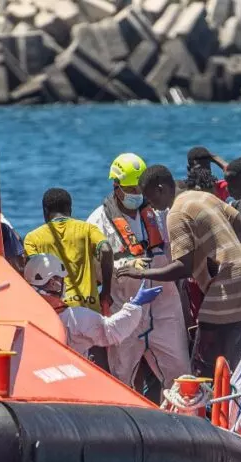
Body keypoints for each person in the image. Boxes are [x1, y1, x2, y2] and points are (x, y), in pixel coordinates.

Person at [118, 165, 241, 378]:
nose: (150, 204)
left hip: (227, 290)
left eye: (150, 197)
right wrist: (227, 253)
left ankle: (201, 410)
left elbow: (184, 268)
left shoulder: (176, 214)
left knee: (200, 367)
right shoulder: (203, 197)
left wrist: (142, 274)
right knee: (240, 362)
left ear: (161, 189)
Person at [87, 153, 191, 391]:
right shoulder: (97, 222)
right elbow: (96, 274)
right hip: (126, 306)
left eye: (138, 187)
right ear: (117, 186)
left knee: (180, 372)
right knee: (121, 375)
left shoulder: (159, 211)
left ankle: (184, 417)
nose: (136, 193)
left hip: (164, 306)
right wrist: (124, 266)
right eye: (130, 188)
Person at [24, 254, 162, 358]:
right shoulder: (75, 318)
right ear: (54, 283)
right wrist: (135, 304)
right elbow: (112, 331)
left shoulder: (22, 315)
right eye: (61, 278)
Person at [23, 187, 113, 314]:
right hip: (89, 308)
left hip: (56, 311)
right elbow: (106, 249)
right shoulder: (87, 229)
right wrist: (106, 291)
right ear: (69, 209)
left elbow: (33, 276)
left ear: (45, 211)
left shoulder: (33, 238)